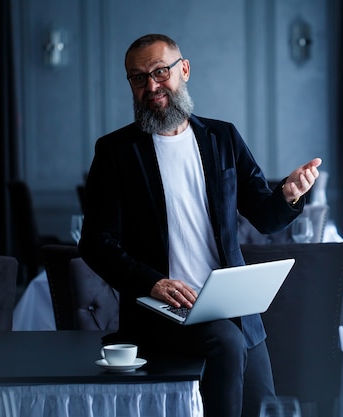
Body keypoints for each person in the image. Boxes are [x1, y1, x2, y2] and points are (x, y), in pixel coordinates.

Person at [78, 33, 322, 417]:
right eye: (138, 78)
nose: (152, 86)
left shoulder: (222, 137)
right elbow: (95, 243)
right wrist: (152, 283)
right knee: (225, 341)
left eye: (161, 72)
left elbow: (264, 215)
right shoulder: (116, 152)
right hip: (163, 311)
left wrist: (289, 194)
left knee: (263, 405)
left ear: (184, 70)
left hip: (234, 307)